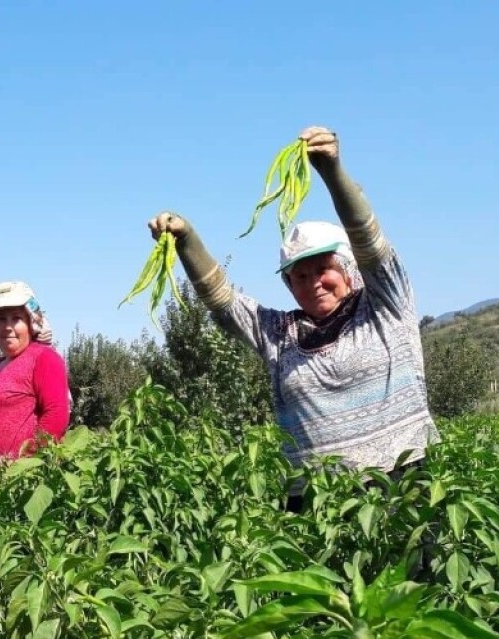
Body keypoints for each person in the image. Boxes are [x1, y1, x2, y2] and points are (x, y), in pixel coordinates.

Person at [147, 126, 439, 510]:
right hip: (315, 501)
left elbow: (369, 240)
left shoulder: (384, 304)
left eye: (324, 268)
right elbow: (222, 299)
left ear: (348, 267)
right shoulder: (280, 334)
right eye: (299, 276)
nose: (313, 282)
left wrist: (331, 171)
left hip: (403, 486)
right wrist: (186, 239)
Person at [0, 281, 71, 467]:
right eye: (0, 319)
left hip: (22, 482)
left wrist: (26, 465)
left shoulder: (44, 358)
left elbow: (56, 416)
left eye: (16, 318)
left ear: (31, 323)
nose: (8, 327)